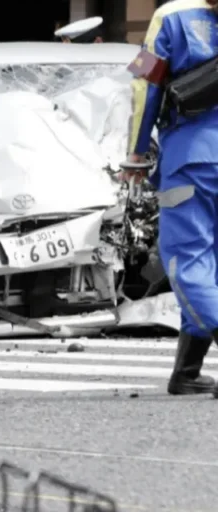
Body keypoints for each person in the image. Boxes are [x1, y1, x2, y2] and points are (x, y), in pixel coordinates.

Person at [124, 0, 218, 395]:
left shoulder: (172, 15)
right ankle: (187, 373)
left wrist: (136, 153)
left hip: (190, 161)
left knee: (188, 259)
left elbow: (144, 84)